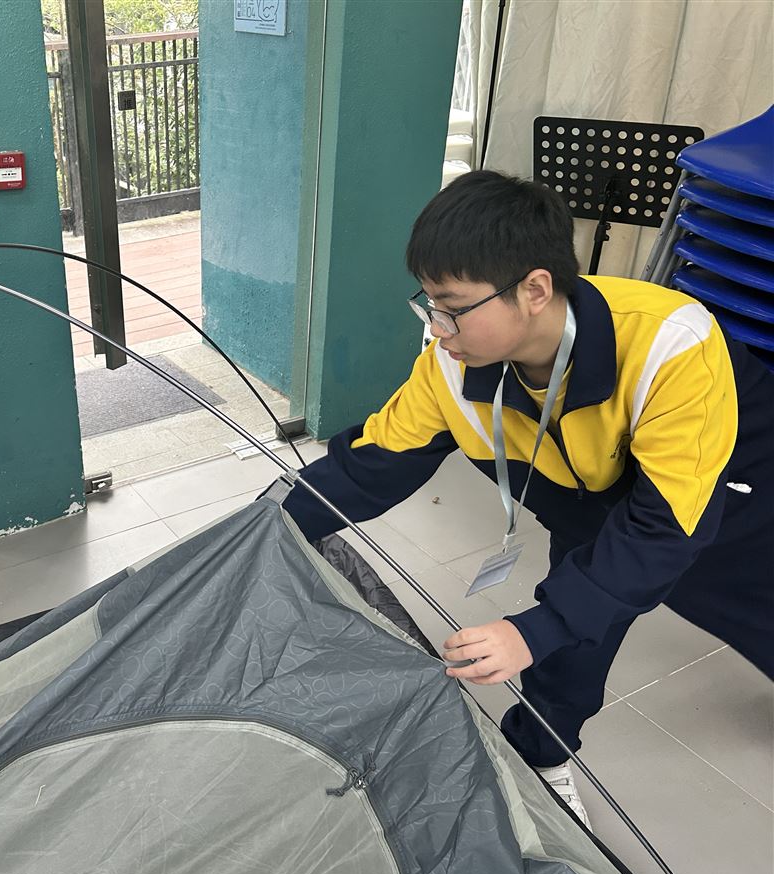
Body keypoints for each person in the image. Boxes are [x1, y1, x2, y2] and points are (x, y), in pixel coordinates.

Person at [281, 170, 774, 828]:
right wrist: (267, 525)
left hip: (726, 488)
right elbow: (370, 465)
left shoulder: (671, 345)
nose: (437, 327)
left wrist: (532, 631)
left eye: (452, 306)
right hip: (585, 498)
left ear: (535, 290)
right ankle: (542, 759)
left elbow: (664, 528)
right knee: (571, 630)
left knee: (750, 603)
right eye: (428, 302)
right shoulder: (450, 365)